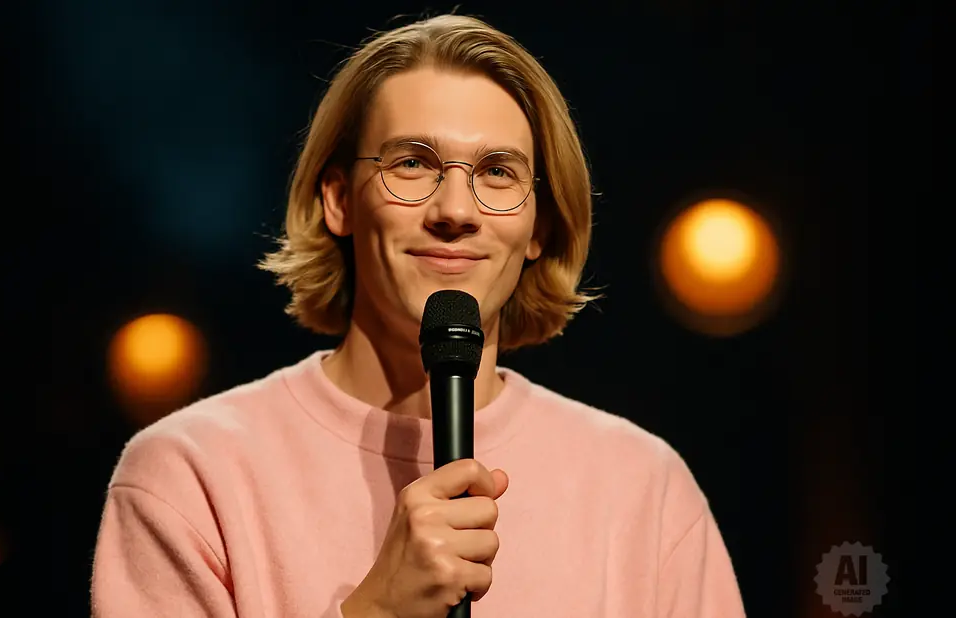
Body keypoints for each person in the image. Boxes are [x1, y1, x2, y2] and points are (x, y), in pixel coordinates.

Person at [90, 14, 746, 618]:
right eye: (413, 163)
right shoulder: (191, 475)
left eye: (496, 171)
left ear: (539, 226)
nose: (455, 209)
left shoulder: (643, 492)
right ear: (340, 200)